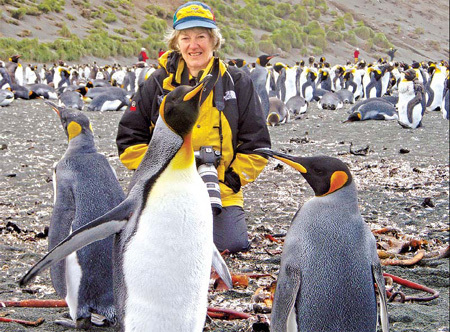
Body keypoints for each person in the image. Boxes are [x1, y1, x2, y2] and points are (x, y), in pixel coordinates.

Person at [116, 1, 271, 253]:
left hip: (220, 187)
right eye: (185, 37)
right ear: (176, 43)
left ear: (214, 41)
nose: (193, 45)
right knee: (154, 247)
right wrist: (160, 173)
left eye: (201, 36)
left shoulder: (237, 82)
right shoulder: (156, 83)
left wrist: (230, 180)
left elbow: (258, 145)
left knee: (230, 245)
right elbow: (129, 141)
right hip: (166, 188)